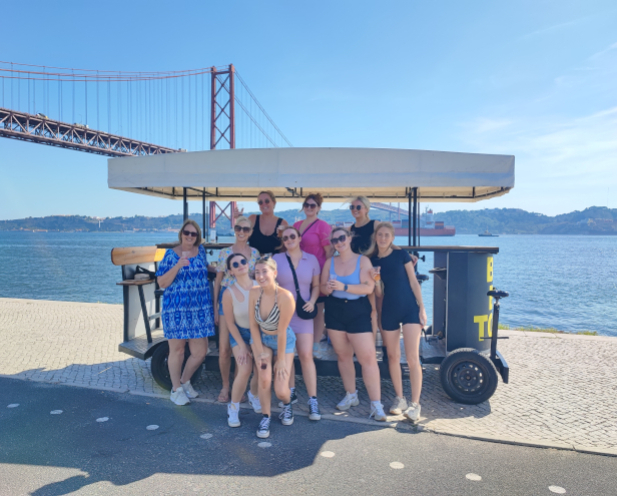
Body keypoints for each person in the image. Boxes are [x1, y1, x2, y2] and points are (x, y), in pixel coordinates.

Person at [320, 227, 387, 421]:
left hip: (358, 310)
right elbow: (323, 287)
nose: (339, 242)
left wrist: (344, 286)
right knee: (343, 355)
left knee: (367, 358)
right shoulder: (329, 262)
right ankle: (351, 394)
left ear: (349, 238)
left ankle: (376, 404)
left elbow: (368, 288)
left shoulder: (362, 260)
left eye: (342, 238)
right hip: (334, 310)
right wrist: (330, 289)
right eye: (335, 240)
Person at [367, 222, 427, 421]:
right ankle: (400, 398)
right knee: (392, 356)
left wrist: (422, 308)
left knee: (412, 358)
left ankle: (415, 404)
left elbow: (413, 281)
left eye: (386, 235)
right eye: (380, 235)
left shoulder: (402, 255)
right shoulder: (372, 260)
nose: (383, 238)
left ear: (392, 238)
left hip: (410, 309)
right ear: (376, 237)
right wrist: (375, 279)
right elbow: (379, 293)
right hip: (388, 311)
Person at [156, 220, 215, 406]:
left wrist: (220, 268)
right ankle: (175, 390)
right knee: (178, 350)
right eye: (187, 233)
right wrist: (178, 266)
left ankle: (185, 381)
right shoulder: (170, 255)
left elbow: (205, 270)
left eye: (194, 234)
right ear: (181, 234)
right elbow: (162, 283)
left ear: (198, 237)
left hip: (199, 309)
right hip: (177, 309)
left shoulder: (201, 251)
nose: (190, 236)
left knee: (200, 351)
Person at [273, 226, 322, 421]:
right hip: (283, 315)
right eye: (285, 238)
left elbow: (316, 286)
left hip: (303, 314)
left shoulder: (311, 260)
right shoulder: (276, 260)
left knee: (306, 355)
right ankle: (289, 399)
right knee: (286, 357)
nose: (289, 240)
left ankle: (313, 400)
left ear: (300, 238)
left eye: (292, 236)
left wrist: (312, 301)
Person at [249, 256, 297, 438]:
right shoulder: (254, 293)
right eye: (257, 272)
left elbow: (283, 331)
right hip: (263, 340)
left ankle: (287, 404)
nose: (260, 276)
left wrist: (282, 360)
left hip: (283, 340)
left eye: (265, 271)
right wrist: (260, 352)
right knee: (263, 378)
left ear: (274, 273)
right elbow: (253, 325)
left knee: (281, 390)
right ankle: (266, 416)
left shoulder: (285, 297)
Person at [213, 216, 260, 403]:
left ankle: (241, 385)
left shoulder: (255, 253)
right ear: (234, 228)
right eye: (239, 227)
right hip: (227, 298)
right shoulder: (224, 253)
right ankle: (226, 386)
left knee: (245, 347)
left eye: (246, 229)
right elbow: (218, 281)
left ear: (250, 232)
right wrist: (216, 306)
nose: (242, 231)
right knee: (224, 349)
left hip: (248, 300)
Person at [222, 253, 261, 427]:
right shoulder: (228, 293)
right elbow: (229, 323)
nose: (240, 265)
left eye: (243, 261)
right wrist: (243, 346)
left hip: (258, 332)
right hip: (238, 333)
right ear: (231, 271)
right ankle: (233, 407)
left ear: (248, 264)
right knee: (245, 369)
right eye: (235, 264)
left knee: (262, 367)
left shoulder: (260, 286)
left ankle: (253, 394)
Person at [293, 193, 333, 358]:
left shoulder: (322, 226)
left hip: (318, 271)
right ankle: (297, 343)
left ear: (318, 208)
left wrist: (327, 274)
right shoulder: (296, 224)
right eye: (307, 205)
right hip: (299, 272)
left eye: (313, 205)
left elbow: (329, 252)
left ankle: (315, 345)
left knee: (317, 309)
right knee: (298, 306)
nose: (309, 208)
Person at [237, 190, 288, 256]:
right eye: (260, 202)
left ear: (274, 203)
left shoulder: (283, 223)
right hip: (254, 261)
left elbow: (284, 248)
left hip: (274, 263)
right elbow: (242, 239)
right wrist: (238, 219)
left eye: (267, 201)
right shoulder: (252, 219)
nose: (264, 204)